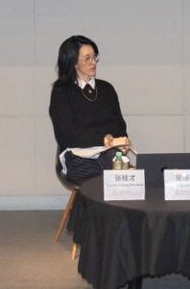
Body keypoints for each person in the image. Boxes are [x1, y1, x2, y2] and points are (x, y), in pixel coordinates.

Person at [49, 35, 130, 183]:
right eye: (87, 58)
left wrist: (122, 142)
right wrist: (104, 139)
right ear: (74, 62)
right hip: (77, 155)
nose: (93, 62)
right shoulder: (62, 91)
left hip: (108, 153)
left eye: (94, 57)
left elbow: (119, 125)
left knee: (115, 168)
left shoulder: (106, 89)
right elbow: (66, 134)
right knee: (104, 177)